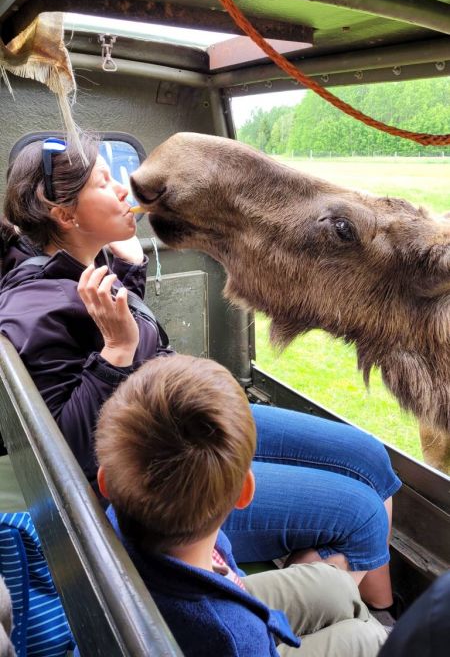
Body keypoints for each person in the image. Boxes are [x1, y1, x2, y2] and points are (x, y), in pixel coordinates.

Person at [0, 132, 401, 613]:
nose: (125, 191)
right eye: (104, 184)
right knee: (361, 513)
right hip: (162, 472)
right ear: (65, 215)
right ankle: (376, 614)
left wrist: (129, 275)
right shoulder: (31, 310)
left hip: (182, 413)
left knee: (370, 457)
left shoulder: (80, 266)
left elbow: (97, 332)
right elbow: (62, 449)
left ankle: (320, 571)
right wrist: (118, 352)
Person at [96, 353, 387, 657]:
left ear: (105, 482)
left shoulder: (113, 517)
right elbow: (237, 637)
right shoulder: (234, 636)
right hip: (212, 624)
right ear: (244, 493)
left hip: (175, 591)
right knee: (368, 639)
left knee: (336, 586)